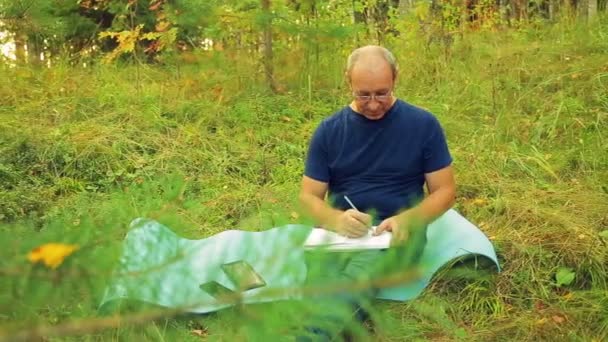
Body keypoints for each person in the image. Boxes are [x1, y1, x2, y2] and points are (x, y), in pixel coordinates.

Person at [297, 45, 456, 340]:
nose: (372, 104)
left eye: (381, 93)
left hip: (394, 233)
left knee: (357, 275)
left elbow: (444, 191)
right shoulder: (329, 130)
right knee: (323, 280)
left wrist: (409, 219)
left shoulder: (423, 125)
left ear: (395, 78)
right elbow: (308, 197)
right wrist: (334, 219)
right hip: (339, 232)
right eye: (363, 95)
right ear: (348, 81)